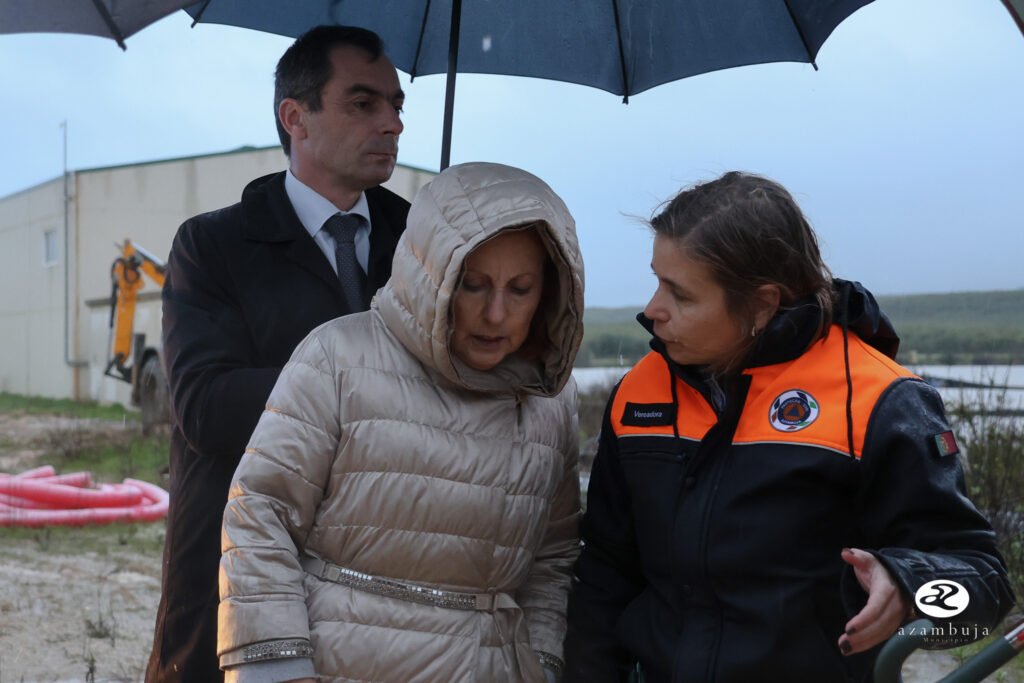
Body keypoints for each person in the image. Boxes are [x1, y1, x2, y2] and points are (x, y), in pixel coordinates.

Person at [563, 171, 1015, 683]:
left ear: (762, 305)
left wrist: (911, 588)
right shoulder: (638, 394)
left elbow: (987, 592)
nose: (652, 311)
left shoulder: (882, 401)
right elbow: (604, 575)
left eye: (680, 295)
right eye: (656, 280)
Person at [214, 161, 585, 683]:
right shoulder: (338, 358)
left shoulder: (553, 401)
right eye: (472, 285)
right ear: (430, 274)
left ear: (551, 292)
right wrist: (277, 666)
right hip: (336, 666)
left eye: (520, 289)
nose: (496, 314)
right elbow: (260, 512)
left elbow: (553, 558)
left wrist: (541, 663)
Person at [146, 25, 409, 683]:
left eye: (396, 104)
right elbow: (207, 407)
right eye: (363, 103)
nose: (392, 123)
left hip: (384, 582)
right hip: (238, 575)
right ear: (296, 117)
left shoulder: (423, 245)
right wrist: (366, 386)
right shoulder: (214, 246)